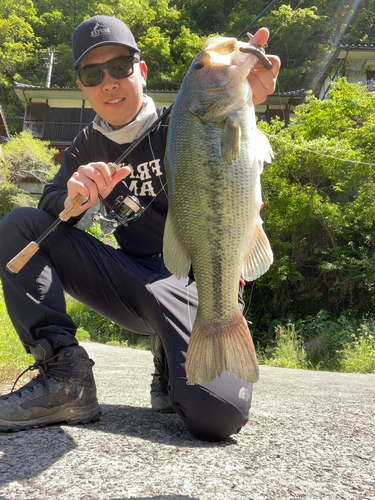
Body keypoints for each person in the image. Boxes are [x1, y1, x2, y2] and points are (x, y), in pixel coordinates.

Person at [0, 16, 280, 441]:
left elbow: (237, 155)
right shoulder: (85, 145)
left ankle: (170, 355)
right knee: (21, 225)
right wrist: (75, 197)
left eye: (120, 66)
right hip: (129, 280)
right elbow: (49, 206)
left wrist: (249, 94)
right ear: (83, 86)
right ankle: (65, 375)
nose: (108, 82)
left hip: (193, 281)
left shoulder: (182, 122)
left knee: (216, 417)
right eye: (93, 74)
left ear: (142, 71)